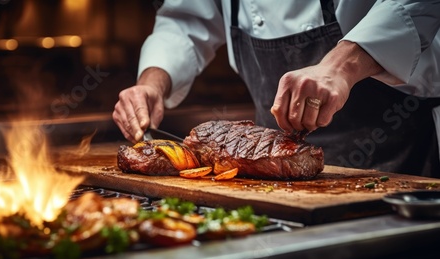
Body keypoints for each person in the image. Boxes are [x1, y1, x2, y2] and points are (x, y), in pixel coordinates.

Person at [113, 0, 440, 178]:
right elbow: (187, 20)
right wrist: (151, 85)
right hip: (270, 164)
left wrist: (340, 66)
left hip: (398, 151)